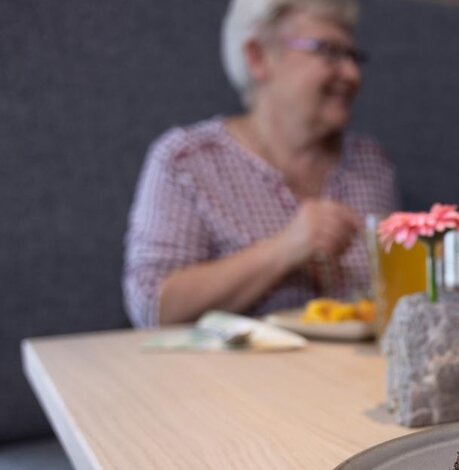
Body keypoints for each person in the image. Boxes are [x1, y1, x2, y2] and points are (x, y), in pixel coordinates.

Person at [123, 0, 398, 327]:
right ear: (258, 57)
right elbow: (153, 308)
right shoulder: (186, 161)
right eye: (328, 51)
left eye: (353, 56)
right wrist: (284, 250)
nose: (351, 74)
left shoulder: (371, 165)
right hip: (222, 377)